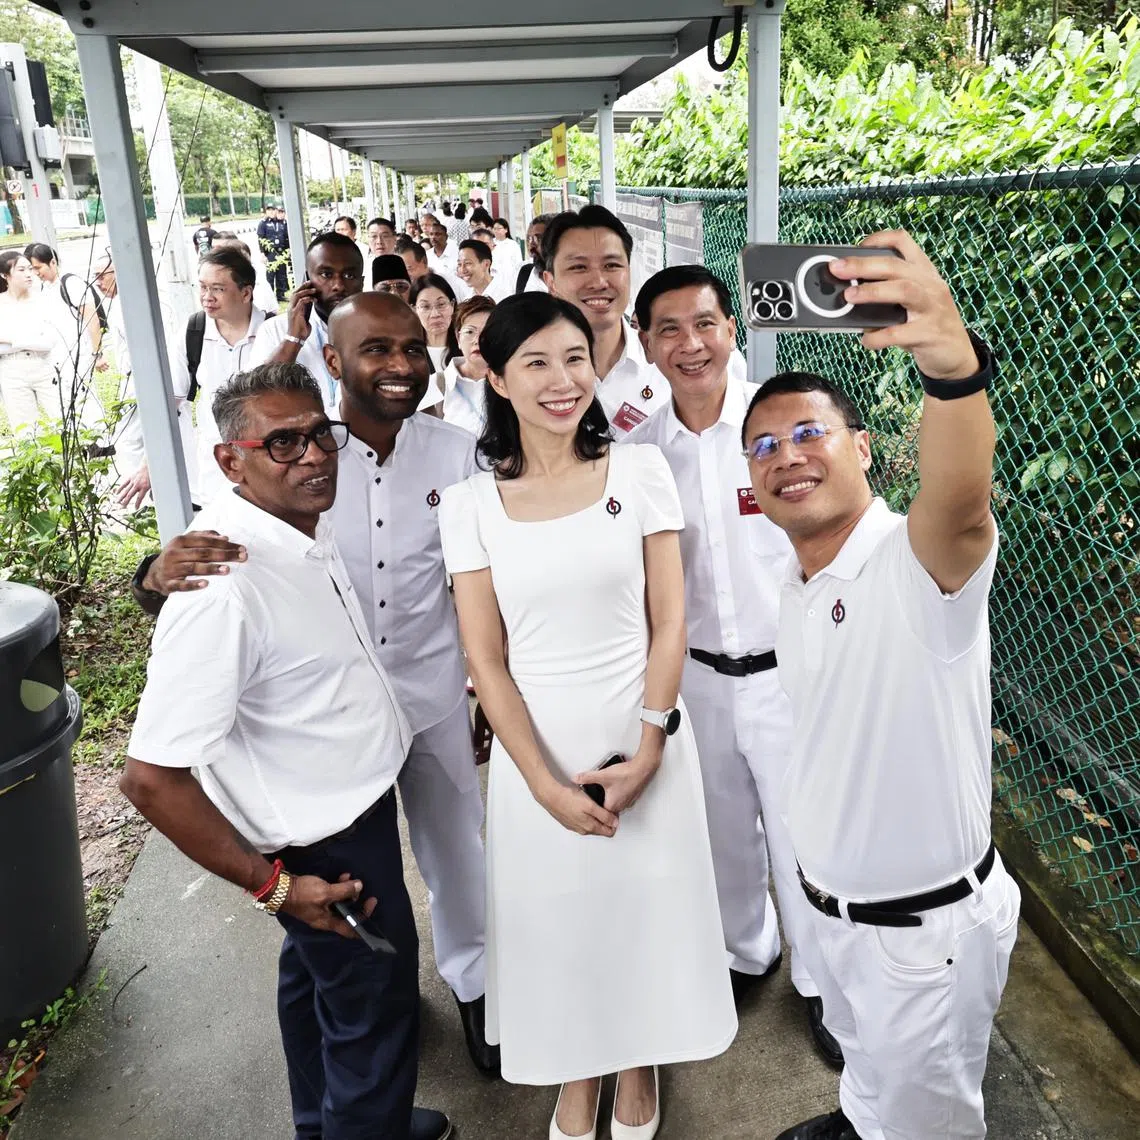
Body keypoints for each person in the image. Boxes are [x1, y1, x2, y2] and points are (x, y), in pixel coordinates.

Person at [133, 296, 497, 1080]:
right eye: (375, 350)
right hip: (319, 731)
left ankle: (476, 985)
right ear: (333, 361)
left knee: (457, 852)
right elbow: (211, 561)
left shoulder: (455, 452)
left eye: (411, 348)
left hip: (430, 694)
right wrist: (151, 577)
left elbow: (479, 582)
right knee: (349, 915)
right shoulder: (295, 453)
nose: (399, 365)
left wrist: (484, 690)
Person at [738, 231, 1018, 1140]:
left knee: (930, 1119)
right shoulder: (797, 580)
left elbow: (963, 504)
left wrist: (951, 368)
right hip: (837, 919)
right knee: (867, 1068)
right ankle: (860, 1117)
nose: (788, 454)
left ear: (863, 449)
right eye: (766, 445)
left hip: (919, 942)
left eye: (811, 432)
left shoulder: (912, 565)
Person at [440, 292, 736, 1140]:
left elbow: (669, 619)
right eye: (534, 363)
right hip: (540, 753)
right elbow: (485, 659)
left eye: (576, 357)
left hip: (640, 731)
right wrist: (536, 782)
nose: (562, 380)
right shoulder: (471, 504)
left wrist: (650, 744)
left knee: (640, 907)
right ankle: (577, 1068)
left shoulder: (640, 471)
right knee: (559, 920)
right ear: (495, 377)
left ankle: (637, 1061)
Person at [626, 265, 841, 1066]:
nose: (692, 344)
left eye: (707, 323)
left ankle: (823, 983)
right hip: (698, 678)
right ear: (644, 343)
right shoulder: (639, 449)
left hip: (790, 674)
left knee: (806, 835)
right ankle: (746, 954)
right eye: (670, 330)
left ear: (732, 327)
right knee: (720, 835)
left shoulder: (778, 425)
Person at [541, 206, 668, 437]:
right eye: (579, 267)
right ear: (551, 282)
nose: (599, 282)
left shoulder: (669, 365)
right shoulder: (529, 373)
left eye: (611, 265)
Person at [91, 254, 200, 509]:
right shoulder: (120, 303)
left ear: (118, 272)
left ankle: (144, 499)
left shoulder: (138, 303)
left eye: (102, 275)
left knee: (139, 437)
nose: (98, 283)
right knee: (137, 437)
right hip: (136, 379)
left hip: (152, 378)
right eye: (95, 277)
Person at [251, 231, 364, 410]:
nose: (338, 286)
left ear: (362, 282)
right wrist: (294, 338)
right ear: (307, 280)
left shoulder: (375, 328)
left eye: (349, 276)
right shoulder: (275, 329)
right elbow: (257, 396)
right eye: (326, 274)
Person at [0, 251, 63, 430]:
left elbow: (48, 343)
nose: (29, 274)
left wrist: (10, 340)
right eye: (21, 269)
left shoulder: (42, 301)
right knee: (25, 430)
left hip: (44, 366)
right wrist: (28, 339)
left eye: (30, 269)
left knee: (62, 419)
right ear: (5, 275)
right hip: (11, 370)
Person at [24, 242, 108, 375]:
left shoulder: (71, 283)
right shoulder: (44, 288)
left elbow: (93, 320)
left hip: (78, 356)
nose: (36, 273)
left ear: (52, 262)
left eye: (38, 267)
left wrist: (97, 353)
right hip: (56, 357)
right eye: (32, 269)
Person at [435, 294, 494, 435]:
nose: (477, 340)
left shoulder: (511, 382)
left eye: (487, 332)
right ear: (458, 338)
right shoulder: (438, 384)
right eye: (469, 332)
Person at [211, 232, 281, 313]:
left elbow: (269, 311)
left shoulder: (257, 284)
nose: (214, 253)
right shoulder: (211, 278)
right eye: (213, 248)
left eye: (220, 249)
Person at [409, 272, 459, 374]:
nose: (435, 314)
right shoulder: (410, 353)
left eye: (441, 304)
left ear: (452, 305)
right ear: (414, 310)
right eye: (425, 307)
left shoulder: (465, 349)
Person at [456, 239, 512, 304]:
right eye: (459, 264)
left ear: (486, 264)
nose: (462, 270)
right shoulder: (467, 300)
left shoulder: (507, 294)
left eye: (468, 263)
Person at [257, 203, 290, 302]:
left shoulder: (282, 222)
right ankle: (270, 297)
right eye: (269, 210)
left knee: (282, 274)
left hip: (282, 252)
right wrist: (262, 254)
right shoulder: (263, 223)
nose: (271, 212)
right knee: (270, 275)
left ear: (276, 211)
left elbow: (287, 238)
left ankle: (281, 295)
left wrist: (288, 251)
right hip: (270, 253)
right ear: (266, 211)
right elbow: (261, 239)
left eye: (273, 210)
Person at [515, 214, 554, 294]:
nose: (531, 245)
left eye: (538, 238)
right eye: (529, 238)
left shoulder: (571, 278)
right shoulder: (522, 274)